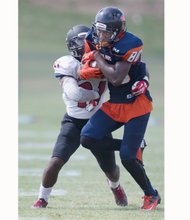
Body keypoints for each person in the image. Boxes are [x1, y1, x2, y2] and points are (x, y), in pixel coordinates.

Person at [32, 24, 129, 208]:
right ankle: (42, 197)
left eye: (91, 39)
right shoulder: (68, 63)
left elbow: (122, 78)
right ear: (73, 45)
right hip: (74, 122)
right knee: (55, 162)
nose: (90, 43)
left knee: (110, 169)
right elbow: (74, 93)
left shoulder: (103, 59)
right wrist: (93, 95)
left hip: (98, 121)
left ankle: (115, 186)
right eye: (85, 41)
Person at [80, 7, 161, 210]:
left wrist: (97, 58)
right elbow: (89, 66)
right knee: (88, 137)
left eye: (106, 31)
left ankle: (151, 194)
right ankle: (135, 145)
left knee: (127, 158)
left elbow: (116, 78)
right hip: (115, 103)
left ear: (117, 32)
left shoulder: (131, 43)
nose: (100, 35)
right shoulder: (93, 38)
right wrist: (89, 67)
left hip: (136, 105)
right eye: (99, 30)